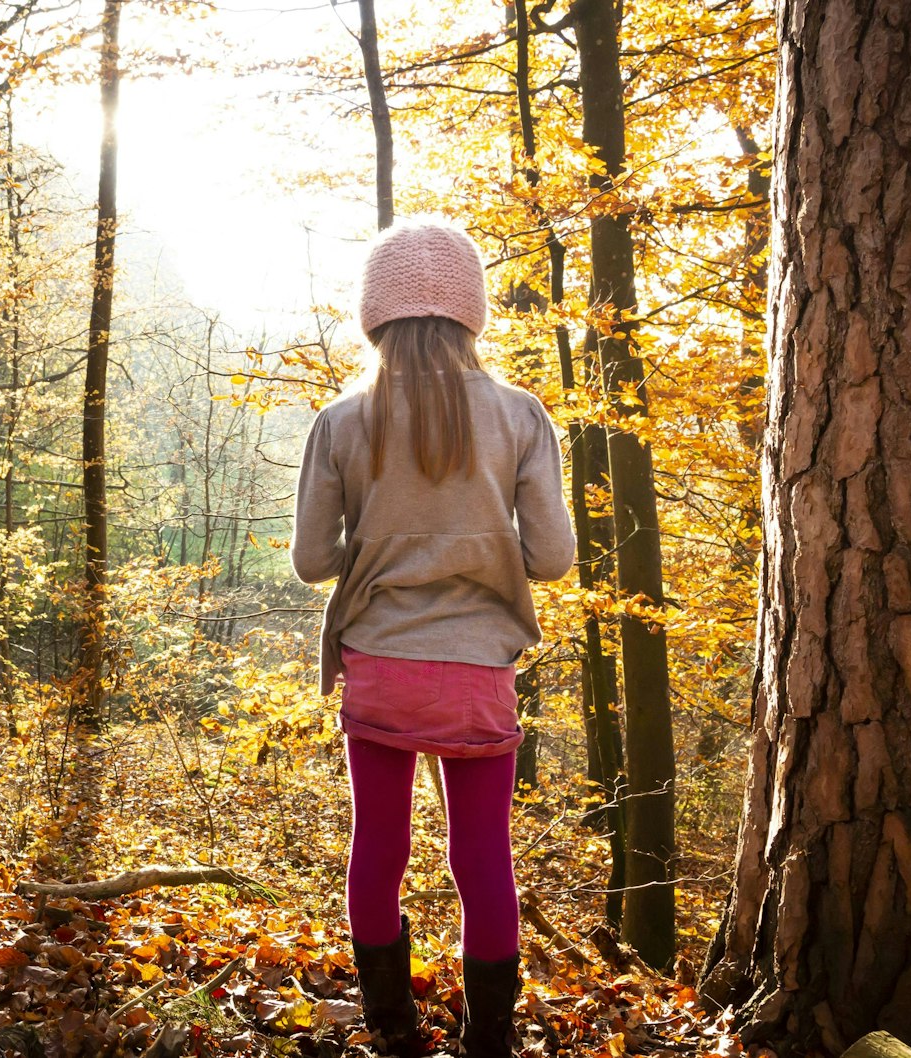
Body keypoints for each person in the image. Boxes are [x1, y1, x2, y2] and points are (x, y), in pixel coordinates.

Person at [290, 217, 575, 1057]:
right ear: (470, 312)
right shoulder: (520, 415)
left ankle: (392, 1030)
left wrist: (384, 543)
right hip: (477, 671)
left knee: (377, 851)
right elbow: (552, 559)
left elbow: (312, 561)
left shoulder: (342, 420)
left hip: (379, 665)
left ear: (375, 316)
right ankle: (488, 1040)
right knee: (482, 859)